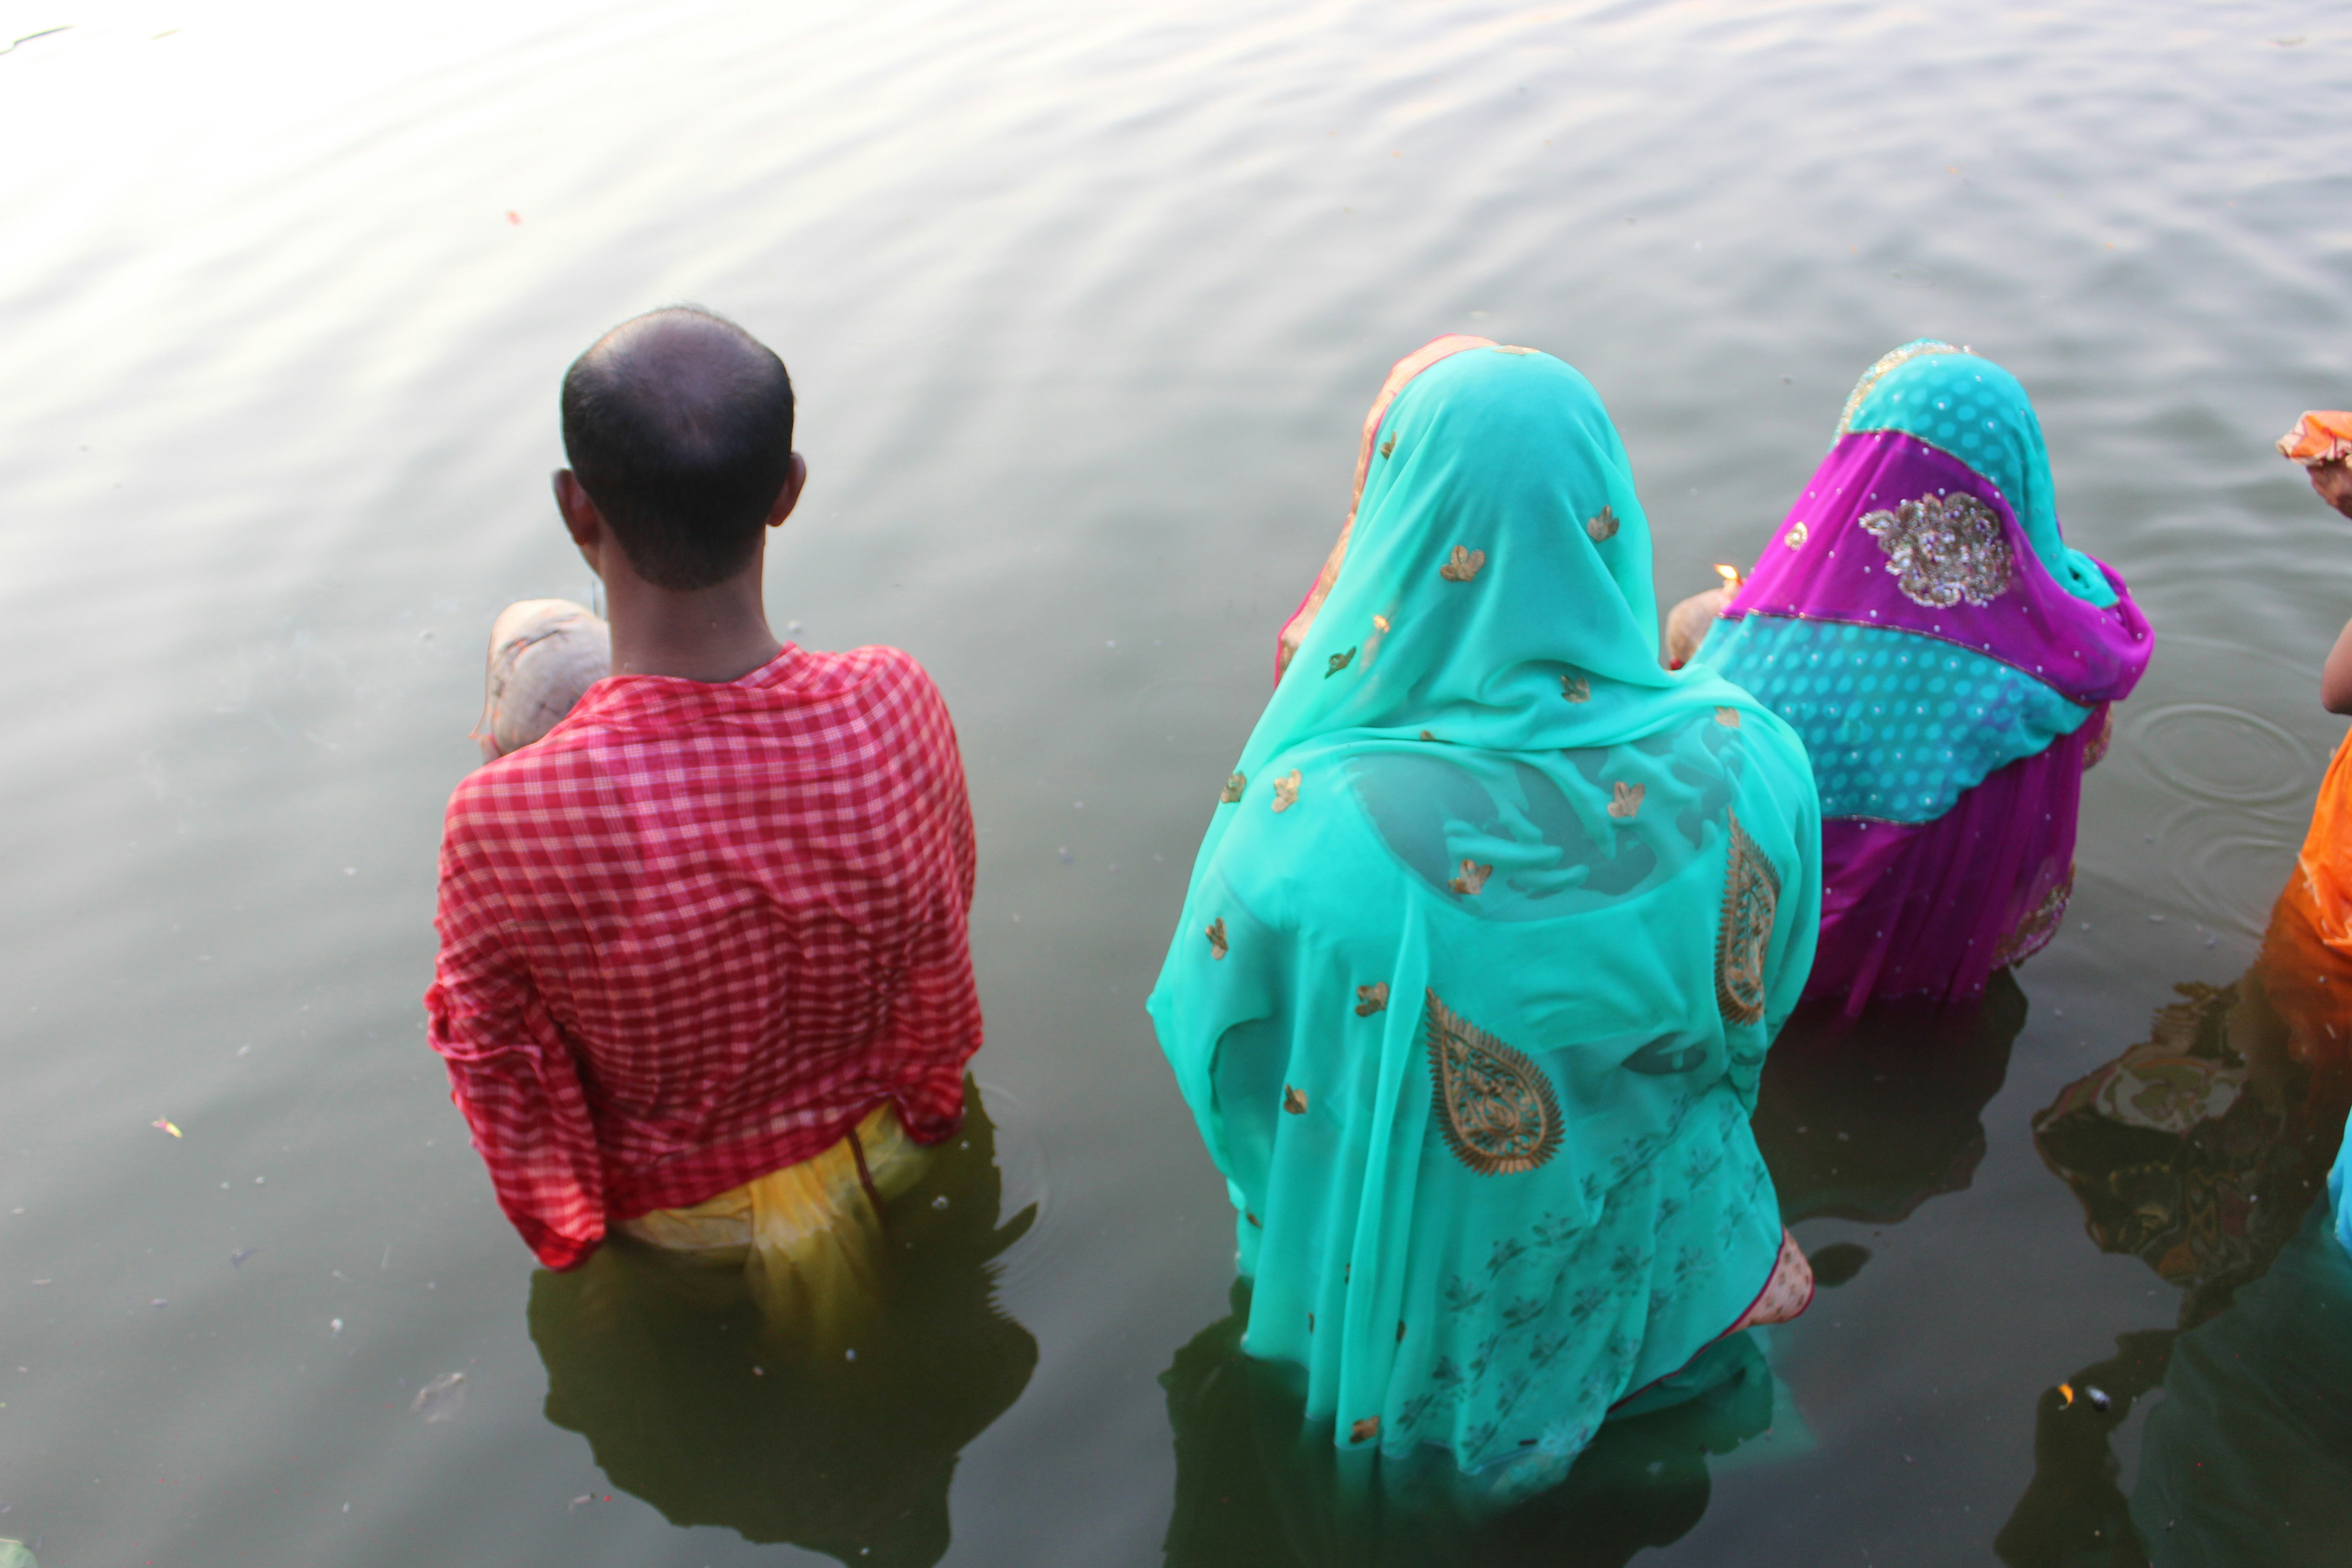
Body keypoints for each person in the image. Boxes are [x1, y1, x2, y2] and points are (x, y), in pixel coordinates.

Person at [1147, 336, 1823, 1489]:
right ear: (1605, 509)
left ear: (1391, 525)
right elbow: (1768, 996)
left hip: (1437, 1323)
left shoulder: (1304, 829)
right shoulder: (1752, 752)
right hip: (1689, 1255)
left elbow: (1223, 1058)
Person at [424, 307, 985, 1303]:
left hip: (690, 1232)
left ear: (575, 510)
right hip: (890, 1158)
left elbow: (506, 1074)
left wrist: (574, 1246)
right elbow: (939, 953)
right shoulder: (893, 701)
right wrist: (936, 1113)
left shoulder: (505, 817)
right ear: (788, 491)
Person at [1679, 341, 2151, 1014]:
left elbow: (1702, 786)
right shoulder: (2077, 623)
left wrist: (1693, 634)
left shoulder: (1774, 650)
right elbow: (2092, 749)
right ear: (2021, 465)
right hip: (1973, 929)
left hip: (1806, 971)